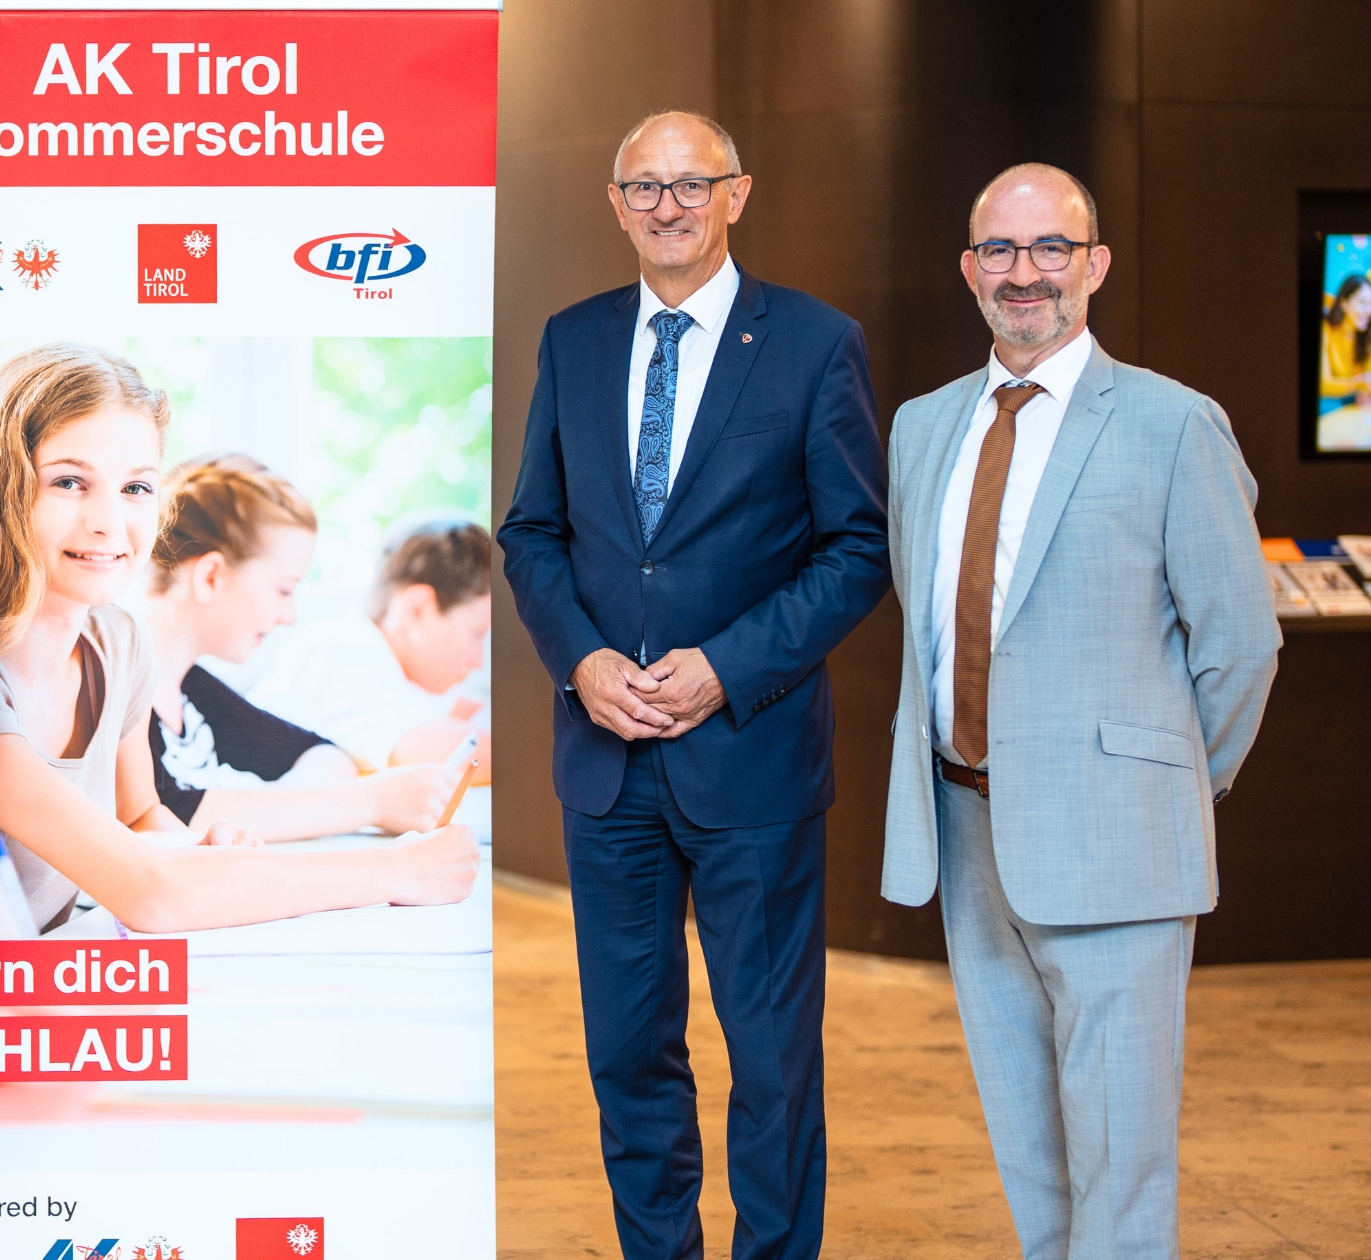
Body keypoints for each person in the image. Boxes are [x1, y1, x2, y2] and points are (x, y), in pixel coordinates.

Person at [495, 109, 888, 1259]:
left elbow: (856, 548)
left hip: (751, 764)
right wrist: (580, 659)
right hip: (605, 767)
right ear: (615, 205)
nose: (666, 206)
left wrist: (726, 668)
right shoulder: (572, 340)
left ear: (735, 195)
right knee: (627, 1054)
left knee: (770, 1061)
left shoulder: (813, 343)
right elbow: (530, 533)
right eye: (643, 187)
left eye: (690, 184)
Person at [881, 163, 1280, 1259]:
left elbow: (1240, 644)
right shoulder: (922, 427)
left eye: (1051, 248)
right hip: (966, 828)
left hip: (1118, 843)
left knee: (1120, 1156)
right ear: (969, 270)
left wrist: (1162, 785)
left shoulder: (1172, 424)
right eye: (1000, 251)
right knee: (1030, 1148)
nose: (1026, 273)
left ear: (1094, 265)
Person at [0, 343, 478, 936]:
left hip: (42, 974)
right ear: (4, 487)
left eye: (136, 488)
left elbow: (142, 817)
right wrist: (398, 871)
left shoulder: (121, 644)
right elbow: (152, 896)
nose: (108, 521)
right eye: (70, 482)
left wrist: (199, 853)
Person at [142, 454, 452, 841]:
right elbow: (166, 815)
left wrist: (289, 810)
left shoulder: (192, 690)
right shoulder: (122, 694)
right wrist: (368, 803)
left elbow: (325, 754)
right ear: (211, 577)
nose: (289, 616)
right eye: (284, 589)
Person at [248, 519, 494, 773]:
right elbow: (431, 752)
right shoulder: (343, 652)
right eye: (477, 634)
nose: (478, 662)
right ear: (416, 610)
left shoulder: (392, 670)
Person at [1320, 272, 1371, 413]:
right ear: (1344, 303)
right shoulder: (1325, 330)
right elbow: (1322, 384)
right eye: (1362, 303)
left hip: (1352, 396)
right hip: (1330, 398)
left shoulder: (1366, 335)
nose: (1369, 311)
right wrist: (1360, 384)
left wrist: (1366, 392)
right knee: (1326, 406)